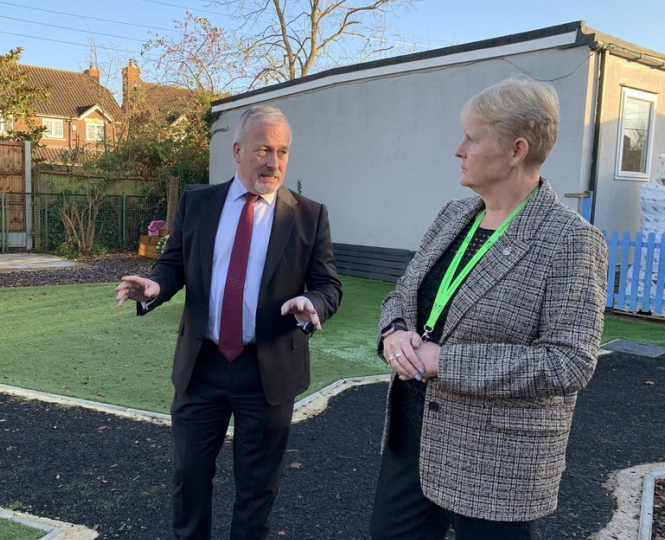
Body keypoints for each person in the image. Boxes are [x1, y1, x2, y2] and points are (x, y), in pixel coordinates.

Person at [370, 76, 608, 540]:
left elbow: (570, 362)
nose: (458, 149)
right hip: (413, 436)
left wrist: (446, 362)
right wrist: (395, 330)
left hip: (495, 460)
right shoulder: (453, 215)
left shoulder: (571, 240)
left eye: (471, 138)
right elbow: (402, 292)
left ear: (516, 150)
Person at [116, 105, 342, 540]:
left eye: (282, 152)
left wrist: (312, 302)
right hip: (203, 364)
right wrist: (156, 288)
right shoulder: (198, 203)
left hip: (269, 369)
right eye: (262, 149)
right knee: (190, 478)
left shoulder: (309, 215)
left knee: (257, 490)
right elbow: (174, 263)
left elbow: (328, 285)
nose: (273, 162)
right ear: (237, 151)